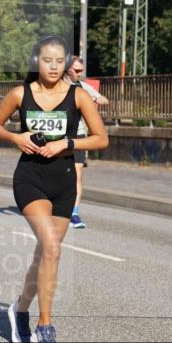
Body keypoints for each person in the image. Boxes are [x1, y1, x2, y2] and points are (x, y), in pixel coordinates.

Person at [0, 35, 108, 343]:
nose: (53, 67)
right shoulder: (21, 93)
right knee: (52, 247)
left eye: (58, 61)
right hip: (31, 179)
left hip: (64, 182)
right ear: (36, 62)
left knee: (45, 253)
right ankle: (45, 325)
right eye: (46, 60)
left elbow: (101, 138)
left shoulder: (78, 96)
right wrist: (17, 138)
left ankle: (19, 309)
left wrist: (67, 144)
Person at [65, 55, 109, 229]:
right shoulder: (56, 86)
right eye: (76, 70)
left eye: (81, 71)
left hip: (79, 136)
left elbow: (104, 100)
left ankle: (74, 214)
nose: (79, 73)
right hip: (58, 136)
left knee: (77, 175)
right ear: (67, 68)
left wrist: (93, 98)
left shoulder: (83, 87)